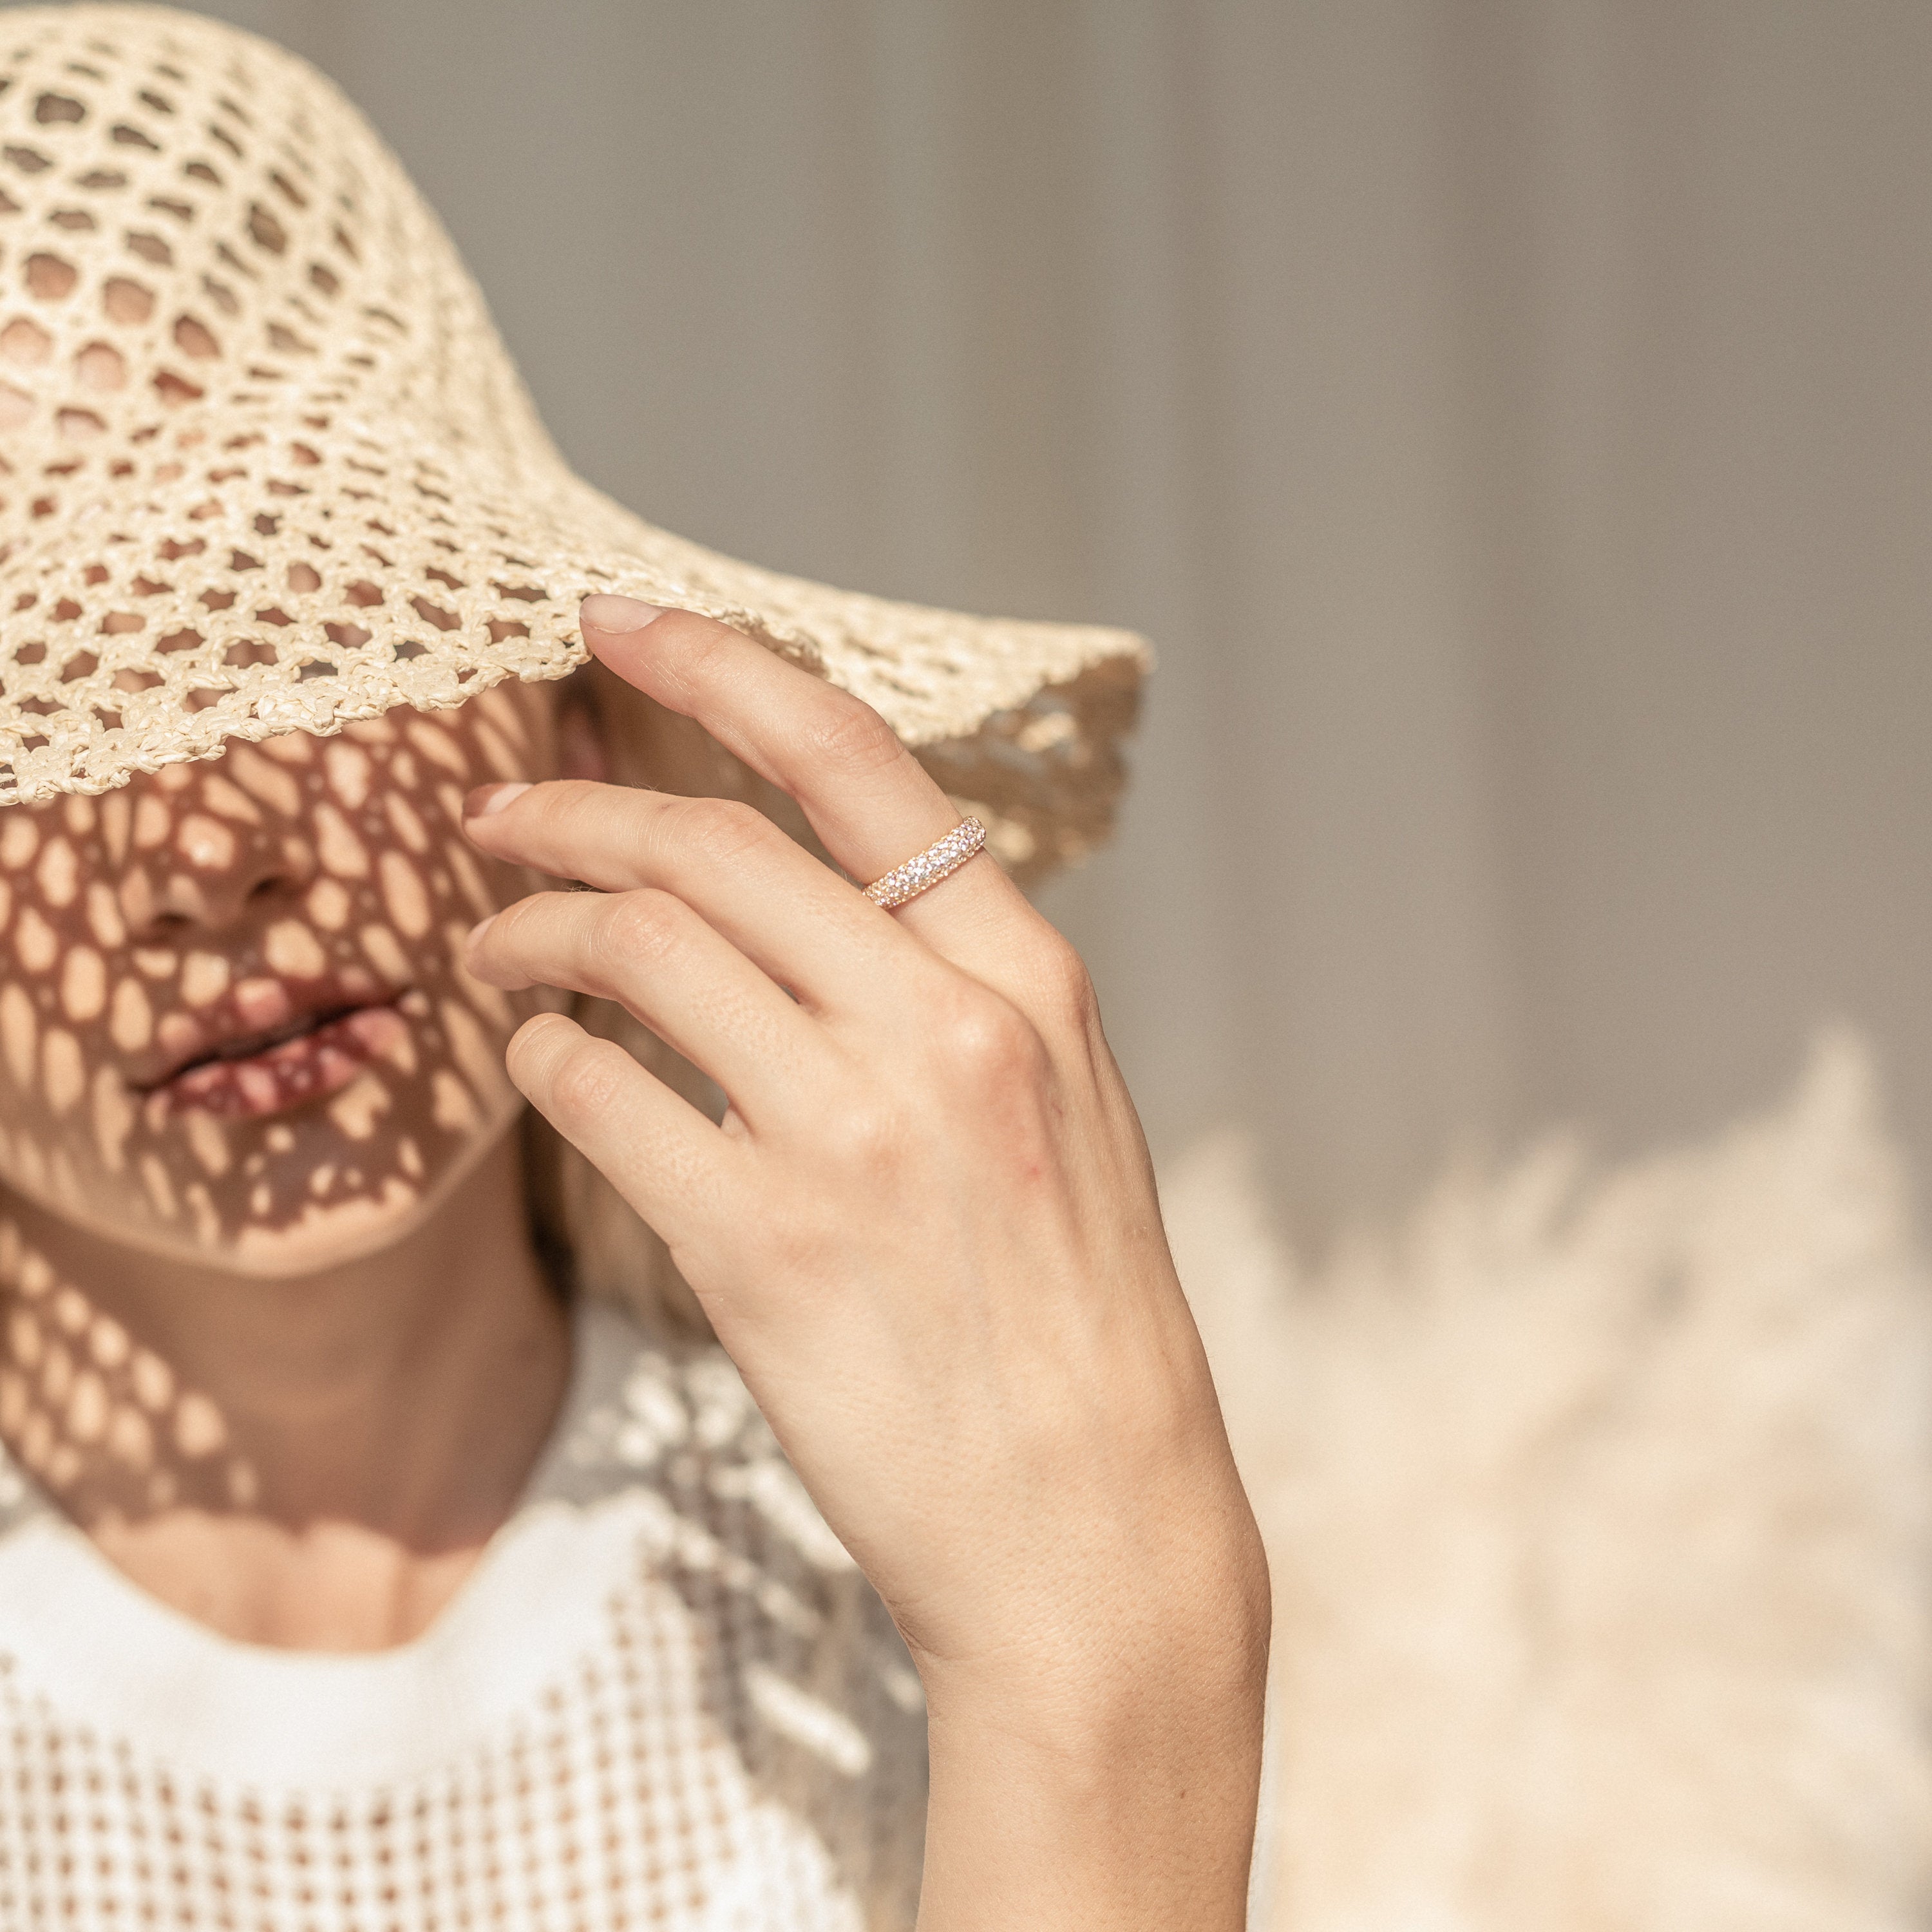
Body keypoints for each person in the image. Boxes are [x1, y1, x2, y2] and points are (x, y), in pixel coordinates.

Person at [0, 8, 1267, 1928]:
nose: (199, 853)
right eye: (32, 712)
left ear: (568, 714)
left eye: (287, 627)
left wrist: (1108, 1676)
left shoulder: (908, 1572)